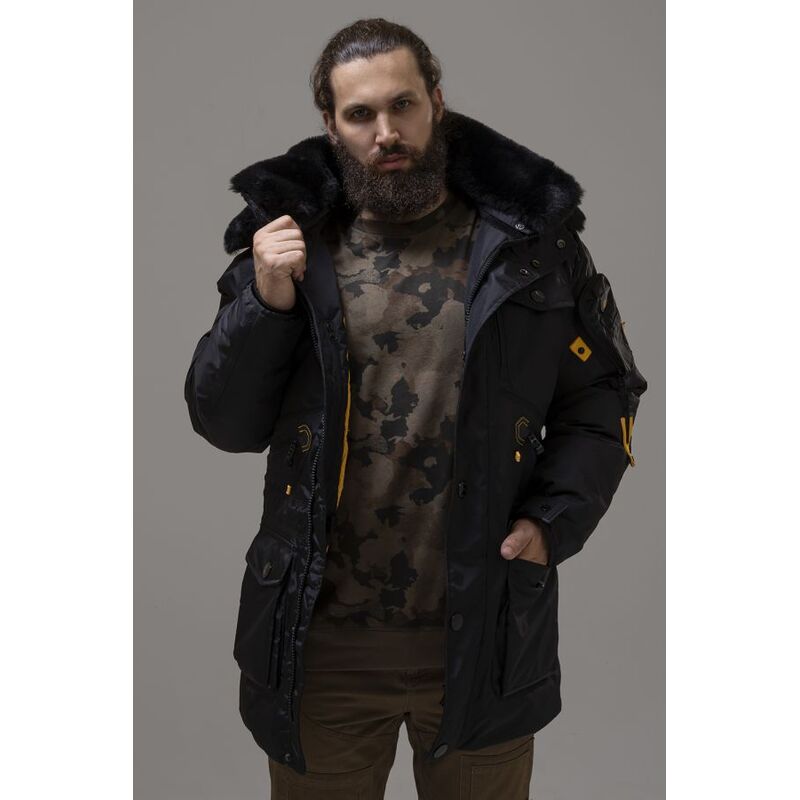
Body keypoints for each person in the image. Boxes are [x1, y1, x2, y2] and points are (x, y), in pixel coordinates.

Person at [184, 17, 648, 800]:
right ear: (330, 124)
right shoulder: (289, 248)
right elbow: (224, 423)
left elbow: (605, 396)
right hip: (321, 649)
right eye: (360, 114)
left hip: (482, 637)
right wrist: (264, 303)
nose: (386, 133)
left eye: (403, 105)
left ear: (436, 100)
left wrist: (552, 522)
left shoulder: (532, 248)